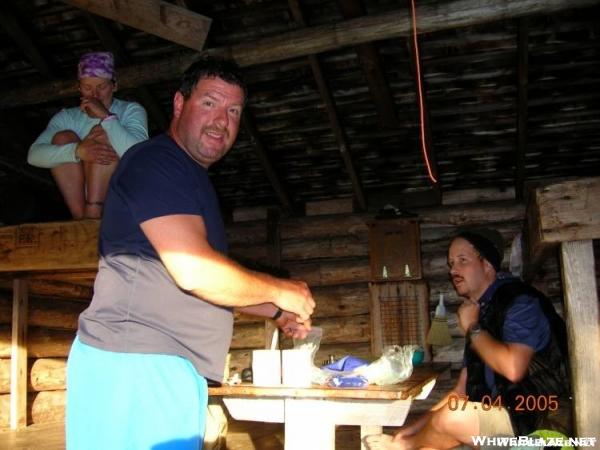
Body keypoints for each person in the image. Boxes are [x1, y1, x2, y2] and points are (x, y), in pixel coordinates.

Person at [65, 56, 315, 450]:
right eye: (210, 103)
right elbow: (196, 273)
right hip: (136, 368)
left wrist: (277, 312)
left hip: (162, 369)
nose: (222, 120)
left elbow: (200, 284)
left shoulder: (186, 177)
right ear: (180, 104)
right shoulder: (156, 161)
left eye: (234, 110)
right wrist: (282, 291)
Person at [364, 228, 570, 449]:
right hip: (506, 416)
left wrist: (472, 328)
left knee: (452, 418)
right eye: (451, 263)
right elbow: (460, 392)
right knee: (432, 440)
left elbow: (513, 368)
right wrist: (406, 432)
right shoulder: (482, 311)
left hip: (543, 418)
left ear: (488, 264)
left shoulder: (520, 303)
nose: (454, 270)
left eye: (463, 260)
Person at [28, 51, 148, 219]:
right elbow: (33, 156)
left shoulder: (131, 110)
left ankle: (94, 212)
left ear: (115, 86)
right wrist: (77, 151)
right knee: (63, 138)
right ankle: (81, 217)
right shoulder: (67, 117)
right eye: (87, 88)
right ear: (79, 88)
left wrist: (107, 118)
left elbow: (141, 156)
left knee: (102, 133)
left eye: (101, 87)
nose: (94, 95)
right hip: (81, 205)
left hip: (121, 199)